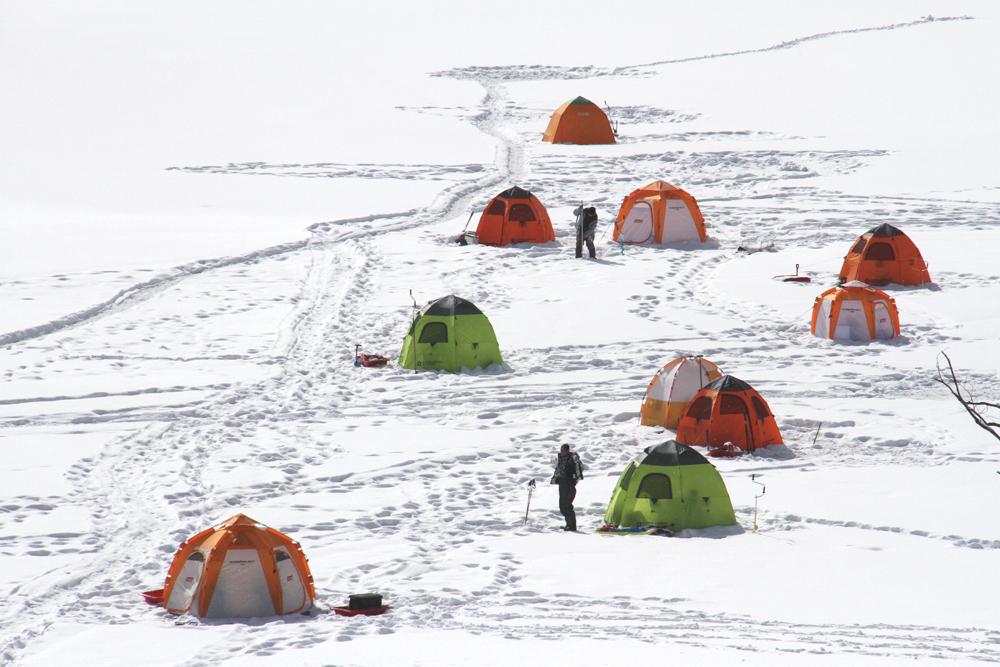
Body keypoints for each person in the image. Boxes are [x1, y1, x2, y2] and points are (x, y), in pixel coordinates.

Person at [550, 444, 584, 531]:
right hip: (562, 484)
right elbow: (554, 463)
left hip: (569, 485)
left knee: (567, 506)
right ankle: (568, 524)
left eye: (564, 450)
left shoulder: (571, 460)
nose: (562, 452)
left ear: (568, 450)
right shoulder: (561, 458)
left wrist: (572, 484)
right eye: (561, 450)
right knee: (562, 507)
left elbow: (577, 472)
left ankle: (572, 526)